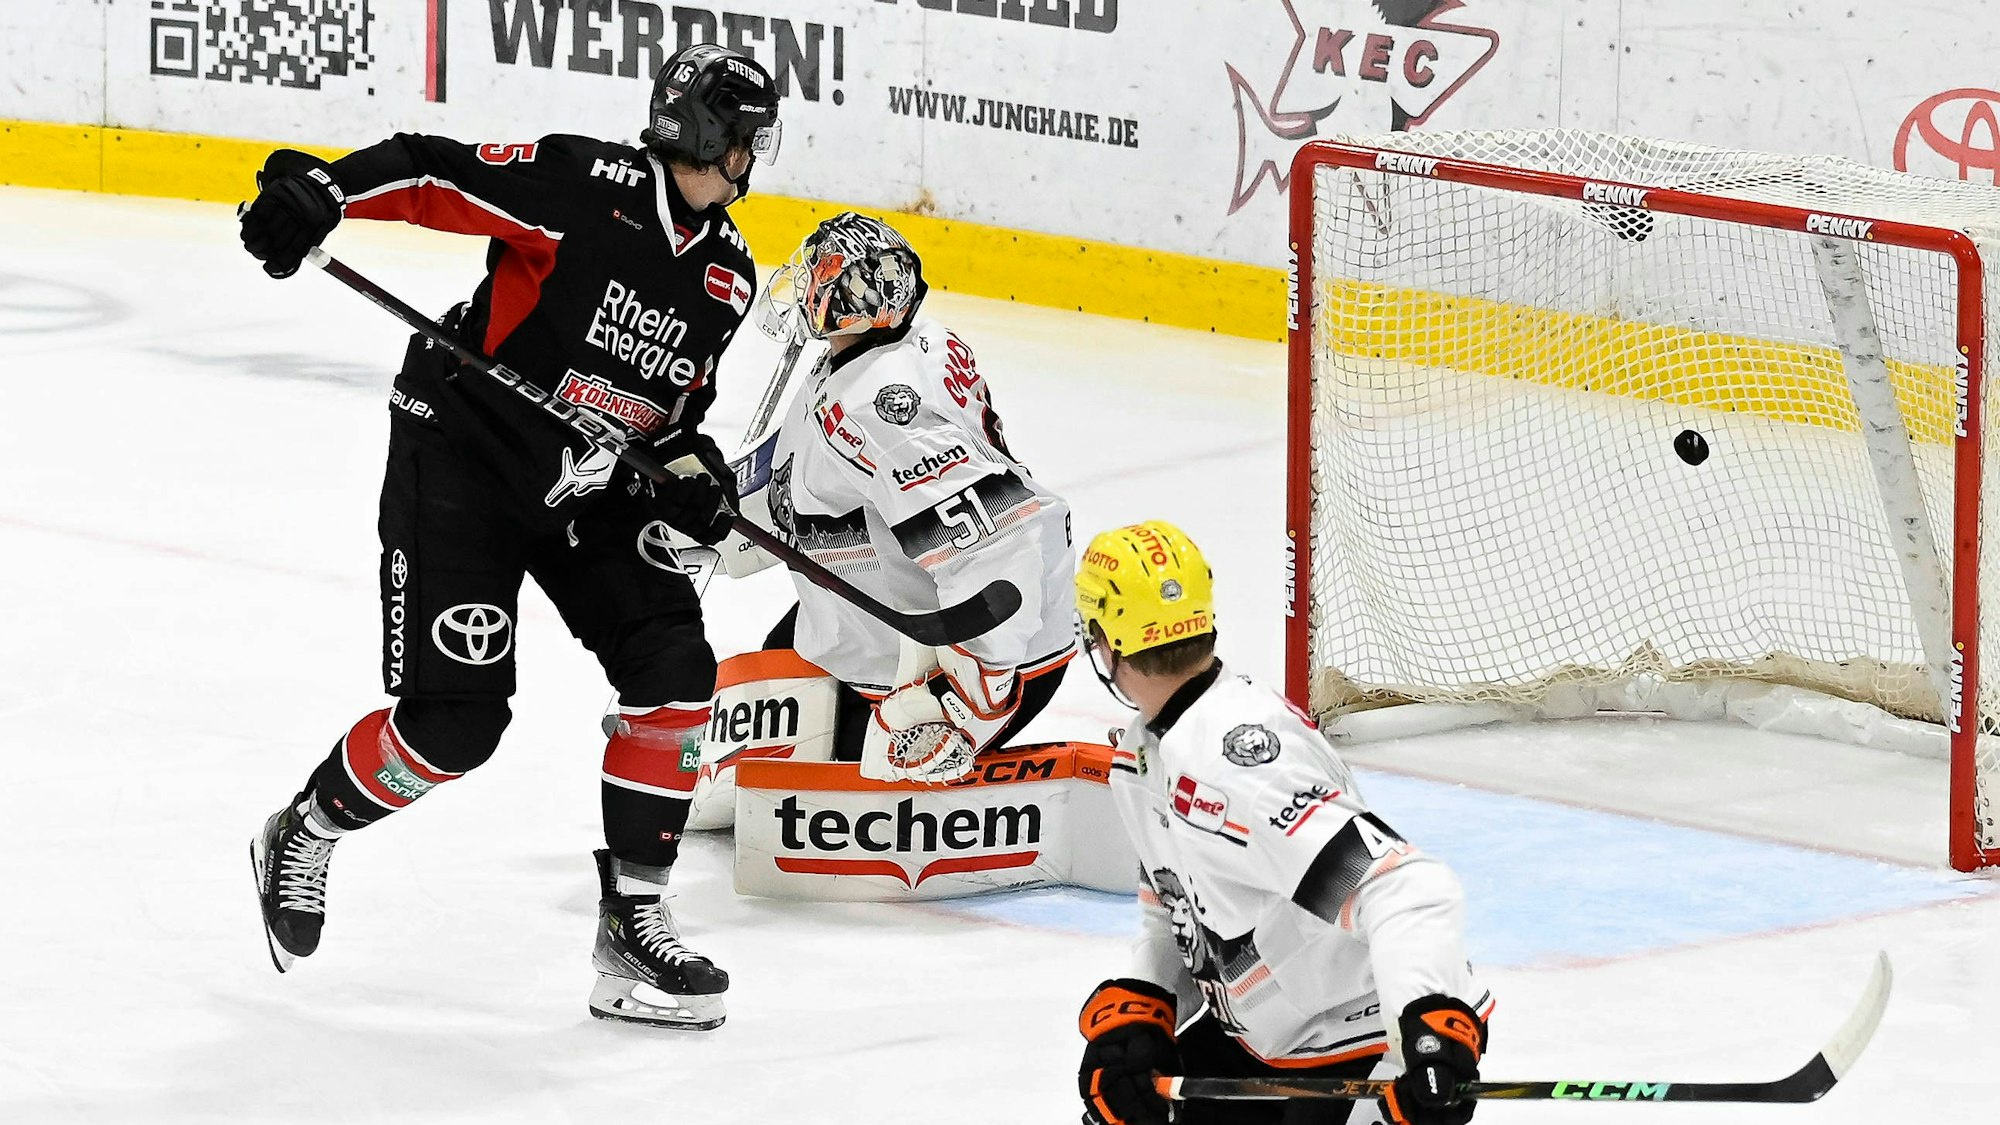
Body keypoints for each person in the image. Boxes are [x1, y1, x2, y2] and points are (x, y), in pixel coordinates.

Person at [238, 43, 781, 1030]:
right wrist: (324, 194)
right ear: (719, 140)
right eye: (748, 139)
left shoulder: (729, 282)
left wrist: (691, 474)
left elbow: (667, 417)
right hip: (463, 457)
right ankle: (307, 827)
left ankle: (633, 924)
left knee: (674, 662)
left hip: (586, 487)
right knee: (456, 725)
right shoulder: (587, 186)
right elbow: (432, 168)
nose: (755, 158)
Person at [1072, 521, 1494, 1125]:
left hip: (1369, 1043)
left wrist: (1429, 1028)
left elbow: (1404, 888)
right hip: (1270, 1038)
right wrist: (1148, 1001)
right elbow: (1174, 910)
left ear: (1104, 640)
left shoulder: (1231, 766)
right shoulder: (1144, 758)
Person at [694, 211, 1075, 810]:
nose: (800, 288)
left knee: (780, 805)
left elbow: (994, 539)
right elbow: (803, 469)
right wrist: (703, 507)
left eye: (813, 277)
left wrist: (967, 697)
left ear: (843, 301)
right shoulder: (863, 361)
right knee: (728, 760)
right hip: (870, 615)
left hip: (962, 658)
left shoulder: (882, 405)